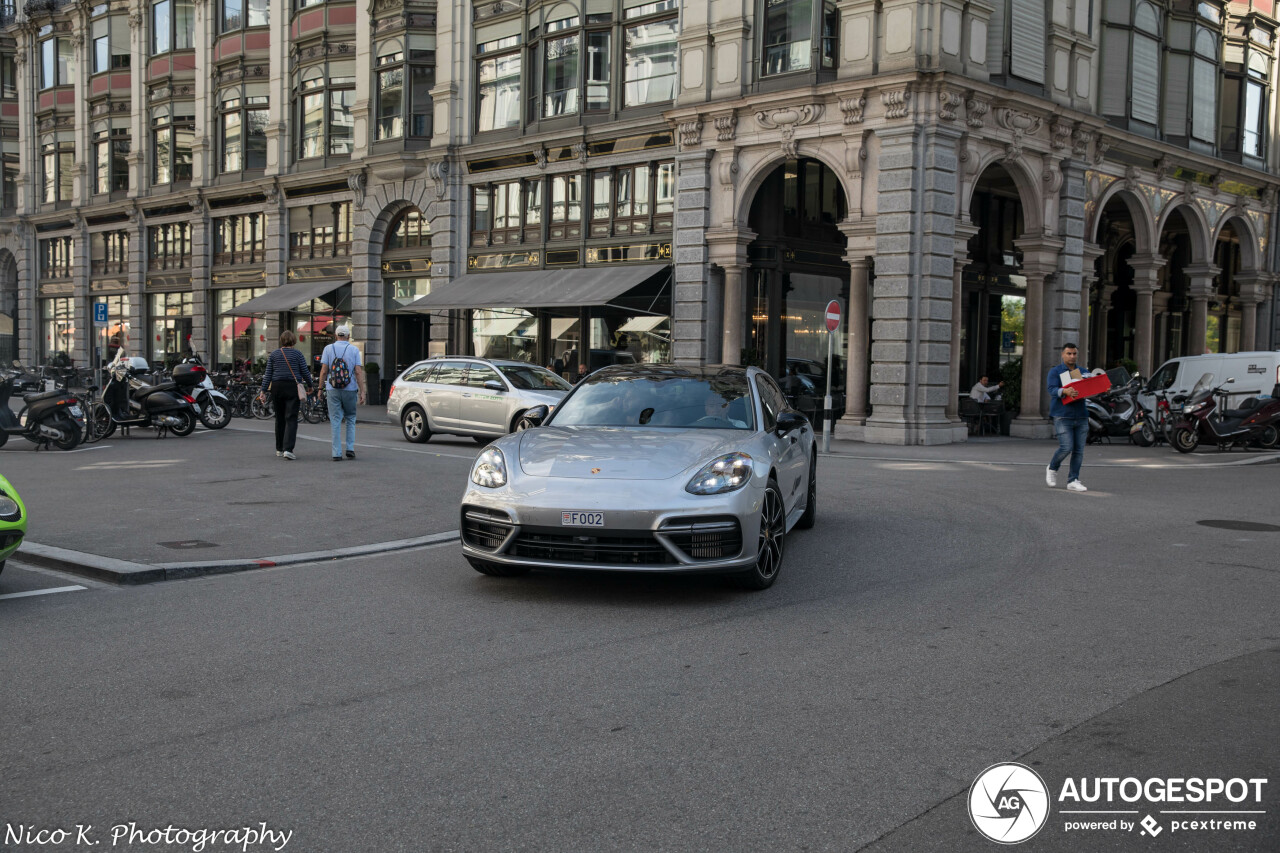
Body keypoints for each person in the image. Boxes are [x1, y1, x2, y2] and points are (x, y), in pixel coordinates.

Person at [1045, 342, 1100, 492]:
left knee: (1079, 450)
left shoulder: (1083, 371)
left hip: (1081, 415)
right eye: (1069, 353)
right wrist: (1065, 391)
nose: (1072, 356)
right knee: (1066, 447)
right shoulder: (1055, 372)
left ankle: (1073, 480)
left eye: (1074, 353)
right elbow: (1051, 390)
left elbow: (1092, 388)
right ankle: (1052, 468)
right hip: (1062, 415)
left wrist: (1102, 387)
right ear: (1063, 355)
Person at [259, 330, 313, 460]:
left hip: (277, 387)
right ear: (293, 341)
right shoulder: (298, 354)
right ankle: (288, 449)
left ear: (281, 341)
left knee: (280, 418)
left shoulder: (274, 354)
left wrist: (263, 391)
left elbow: (268, 374)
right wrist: (310, 385)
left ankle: (279, 448)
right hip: (292, 387)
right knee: (291, 417)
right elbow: (305, 371)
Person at [318, 324, 366, 461]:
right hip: (350, 389)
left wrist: (320, 389)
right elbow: (358, 372)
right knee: (351, 418)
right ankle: (350, 448)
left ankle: (336, 453)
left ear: (336, 335)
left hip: (332, 389)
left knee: (335, 420)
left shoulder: (328, 348)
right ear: (348, 336)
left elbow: (323, 371)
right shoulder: (354, 350)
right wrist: (362, 391)